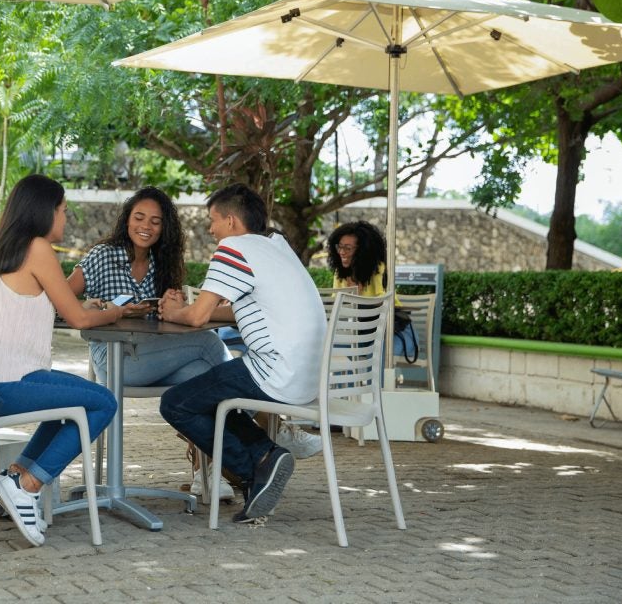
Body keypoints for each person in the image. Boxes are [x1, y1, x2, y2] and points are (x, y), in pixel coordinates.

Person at [0, 174, 129, 547]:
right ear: (45, 211)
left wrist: (87, 306)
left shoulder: (8, 247)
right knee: (102, 402)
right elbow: (80, 320)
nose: (66, 220)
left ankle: (18, 475)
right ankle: (27, 484)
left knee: (75, 403)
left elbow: (58, 301)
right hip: (4, 386)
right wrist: (116, 312)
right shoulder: (38, 248)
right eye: (64, 211)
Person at [157, 184, 325, 524]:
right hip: (308, 377)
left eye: (213, 220)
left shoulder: (233, 247)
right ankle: (262, 463)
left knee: (176, 402)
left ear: (231, 221)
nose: (210, 229)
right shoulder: (277, 247)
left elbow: (198, 317)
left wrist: (173, 311)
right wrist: (188, 309)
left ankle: (259, 463)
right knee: (208, 398)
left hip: (273, 372)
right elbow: (237, 312)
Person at [67, 186, 236, 498]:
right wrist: (104, 309)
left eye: (155, 221)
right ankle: (259, 417)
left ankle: (205, 470)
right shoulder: (102, 256)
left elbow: (170, 319)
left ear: (165, 228)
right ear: (127, 220)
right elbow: (61, 300)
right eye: (139, 217)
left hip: (158, 357)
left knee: (201, 374)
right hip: (116, 359)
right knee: (207, 343)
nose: (146, 226)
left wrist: (172, 304)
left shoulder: (164, 262)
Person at [326, 220, 418, 360]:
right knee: (336, 351)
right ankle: (348, 382)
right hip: (363, 333)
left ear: (362, 251)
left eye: (348, 248)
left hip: (395, 332)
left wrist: (358, 297)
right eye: (340, 247)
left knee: (374, 357)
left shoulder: (378, 269)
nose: (342, 252)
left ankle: (374, 383)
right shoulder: (340, 274)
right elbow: (334, 304)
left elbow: (384, 301)